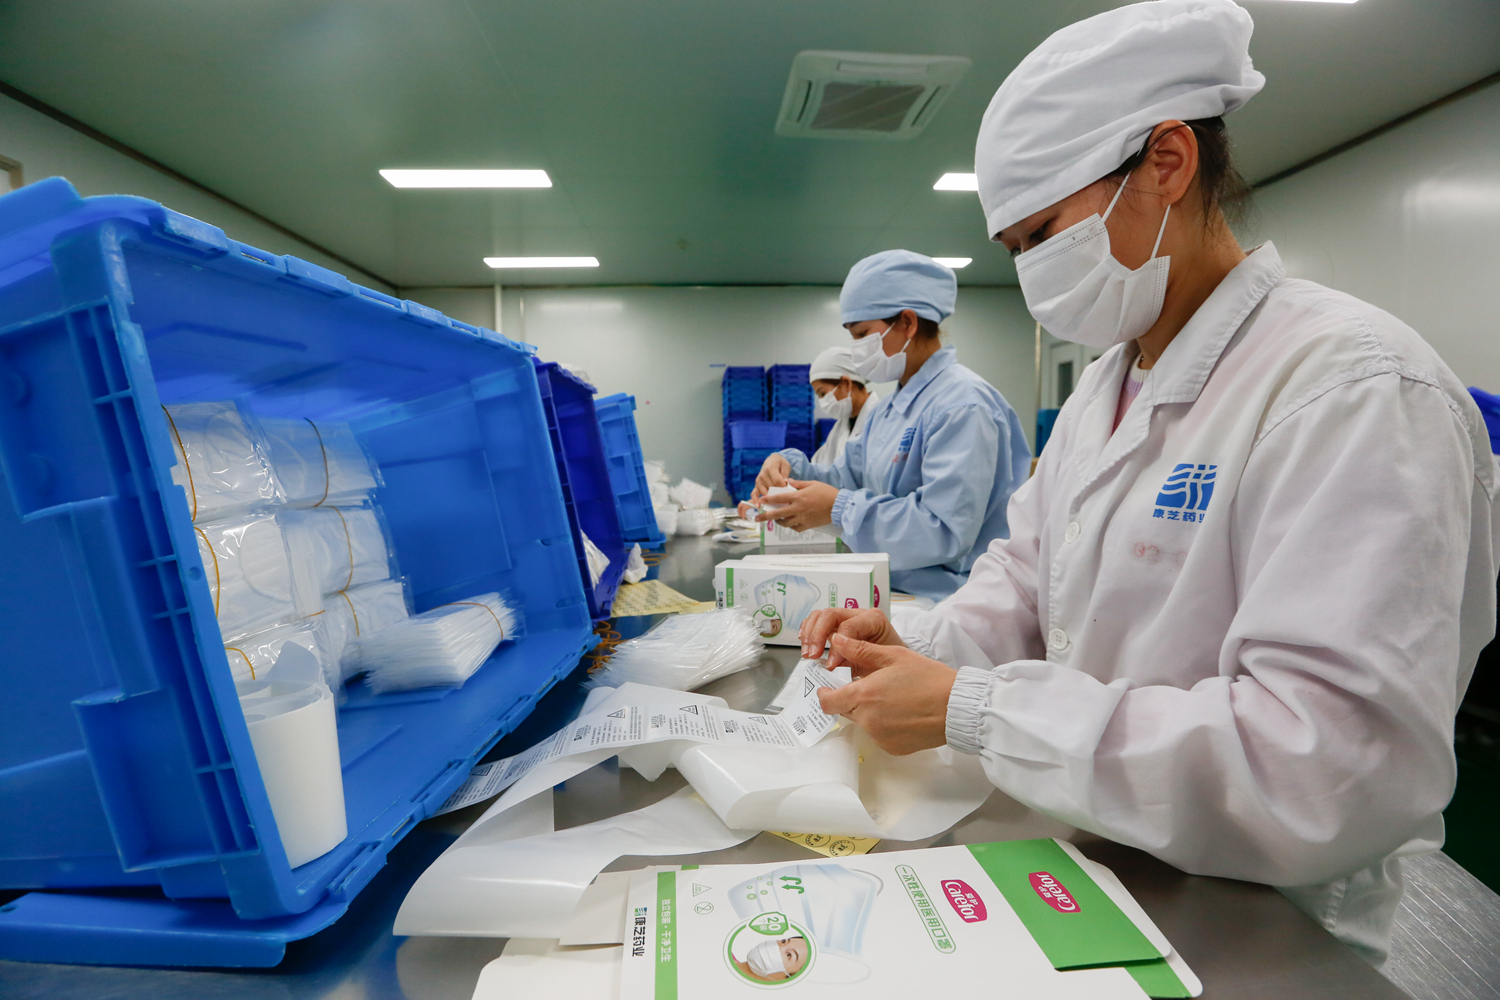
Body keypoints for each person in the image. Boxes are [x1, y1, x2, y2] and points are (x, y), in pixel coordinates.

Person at [801, 0, 1498, 967]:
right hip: (1096, 864)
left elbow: (1326, 767)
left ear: (1167, 163)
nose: (1034, 276)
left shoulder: (1353, 388)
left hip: (1265, 924)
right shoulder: (1106, 389)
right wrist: (914, 648)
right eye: (1014, 252)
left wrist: (977, 709)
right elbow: (1024, 584)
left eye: (1042, 235)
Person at [750, 250, 1032, 600]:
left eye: (862, 334)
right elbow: (846, 477)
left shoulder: (962, 405)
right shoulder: (890, 409)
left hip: (954, 599)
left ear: (908, 323)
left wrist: (839, 508)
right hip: (896, 588)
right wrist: (789, 471)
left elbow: (944, 530)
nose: (856, 349)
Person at [808, 345, 878, 466]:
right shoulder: (841, 426)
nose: (822, 401)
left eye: (823, 393)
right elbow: (819, 465)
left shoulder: (880, 421)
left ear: (846, 383)